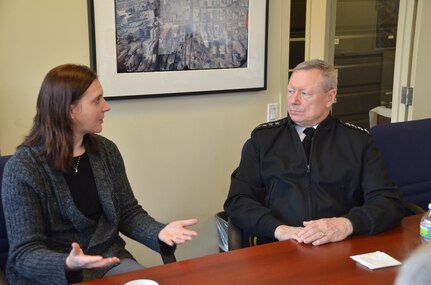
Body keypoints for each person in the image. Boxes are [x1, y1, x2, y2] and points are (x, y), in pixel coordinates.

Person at [1, 64, 198, 284]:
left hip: (108, 261)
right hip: (53, 274)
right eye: (97, 100)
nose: (106, 107)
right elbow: (25, 252)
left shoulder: (106, 151)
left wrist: (159, 233)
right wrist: (68, 263)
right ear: (70, 110)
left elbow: (127, 212)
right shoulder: (22, 169)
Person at [224, 59, 403, 247]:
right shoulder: (264, 139)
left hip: (341, 244)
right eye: (291, 91)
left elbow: (388, 202)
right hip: (279, 245)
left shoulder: (358, 141)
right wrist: (279, 229)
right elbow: (238, 201)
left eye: (305, 93)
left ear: (329, 97)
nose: (293, 100)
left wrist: (345, 224)